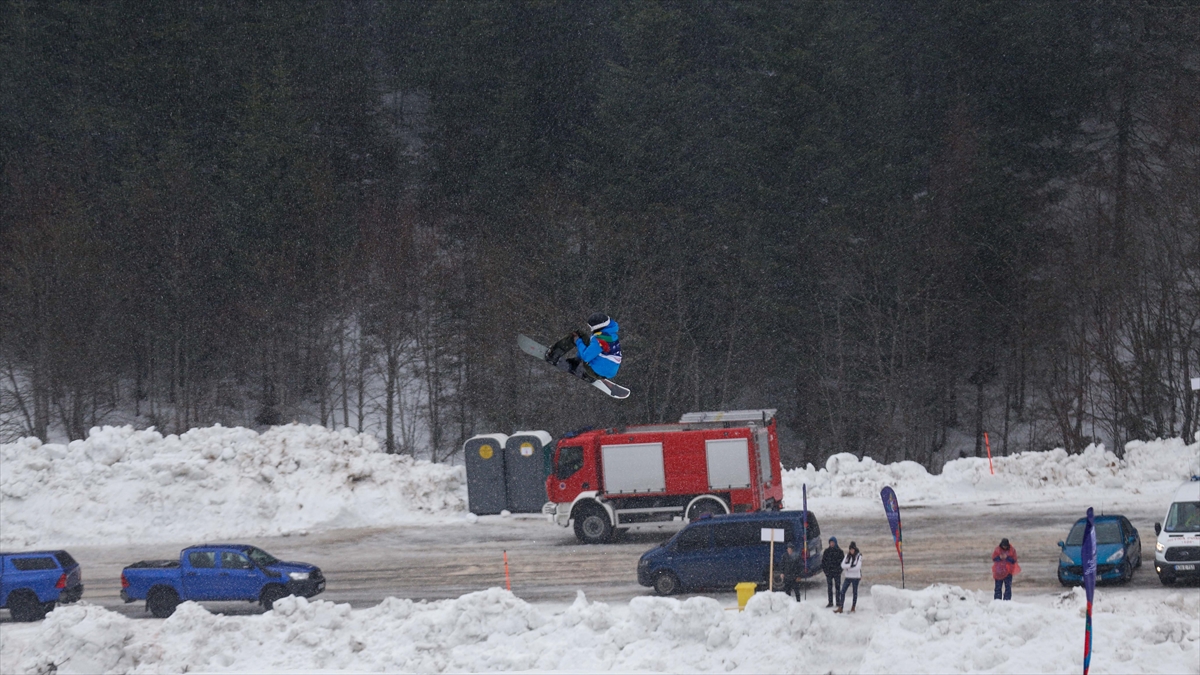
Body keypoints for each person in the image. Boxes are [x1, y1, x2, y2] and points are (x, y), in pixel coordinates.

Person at [546, 312, 622, 382]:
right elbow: (594, 349)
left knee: (578, 335)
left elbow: (586, 356)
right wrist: (577, 359)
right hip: (608, 370)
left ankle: (553, 355)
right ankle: (588, 375)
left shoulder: (601, 339)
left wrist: (578, 341)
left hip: (595, 371)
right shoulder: (610, 334)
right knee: (591, 348)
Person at [835, 541, 862, 613]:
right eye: (850, 550)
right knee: (842, 591)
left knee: (854, 592)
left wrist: (848, 568)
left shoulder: (858, 556)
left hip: (855, 577)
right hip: (848, 577)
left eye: (852, 549)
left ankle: (853, 606)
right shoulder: (847, 556)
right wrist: (850, 566)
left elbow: (858, 567)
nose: (851, 551)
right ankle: (841, 607)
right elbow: (842, 565)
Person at [821, 537, 844, 608]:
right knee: (829, 588)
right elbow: (823, 562)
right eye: (830, 542)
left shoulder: (839, 551)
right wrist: (826, 571)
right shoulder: (826, 551)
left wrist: (839, 571)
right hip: (829, 573)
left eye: (833, 542)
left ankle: (838, 601)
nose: (832, 544)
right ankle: (830, 602)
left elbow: (842, 563)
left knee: (837, 588)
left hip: (837, 573)